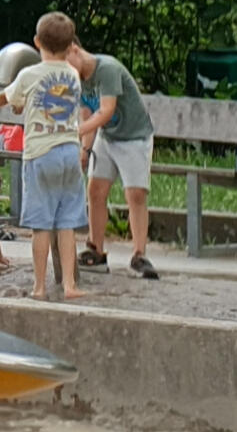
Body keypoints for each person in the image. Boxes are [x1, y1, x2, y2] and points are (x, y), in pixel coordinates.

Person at [0, 13, 95, 300]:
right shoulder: (72, 75)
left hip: (41, 154)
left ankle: (39, 287)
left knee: (41, 225)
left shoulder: (29, 74)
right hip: (69, 153)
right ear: (69, 46)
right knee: (66, 224)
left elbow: (6, 97)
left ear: (37, 42)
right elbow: (51, 102)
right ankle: (70, 285)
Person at [64, 20, 163, 280]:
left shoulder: (106, 69)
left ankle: (139, 254)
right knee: (95, 190)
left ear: (74, 49)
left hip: (133, 136)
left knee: (135, 193)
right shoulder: (76, 79)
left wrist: (75, 132)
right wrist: (85, 149)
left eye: (65, 61)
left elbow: (106, 111)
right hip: (106, 137)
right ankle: (95, 249)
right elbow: (87, 111)